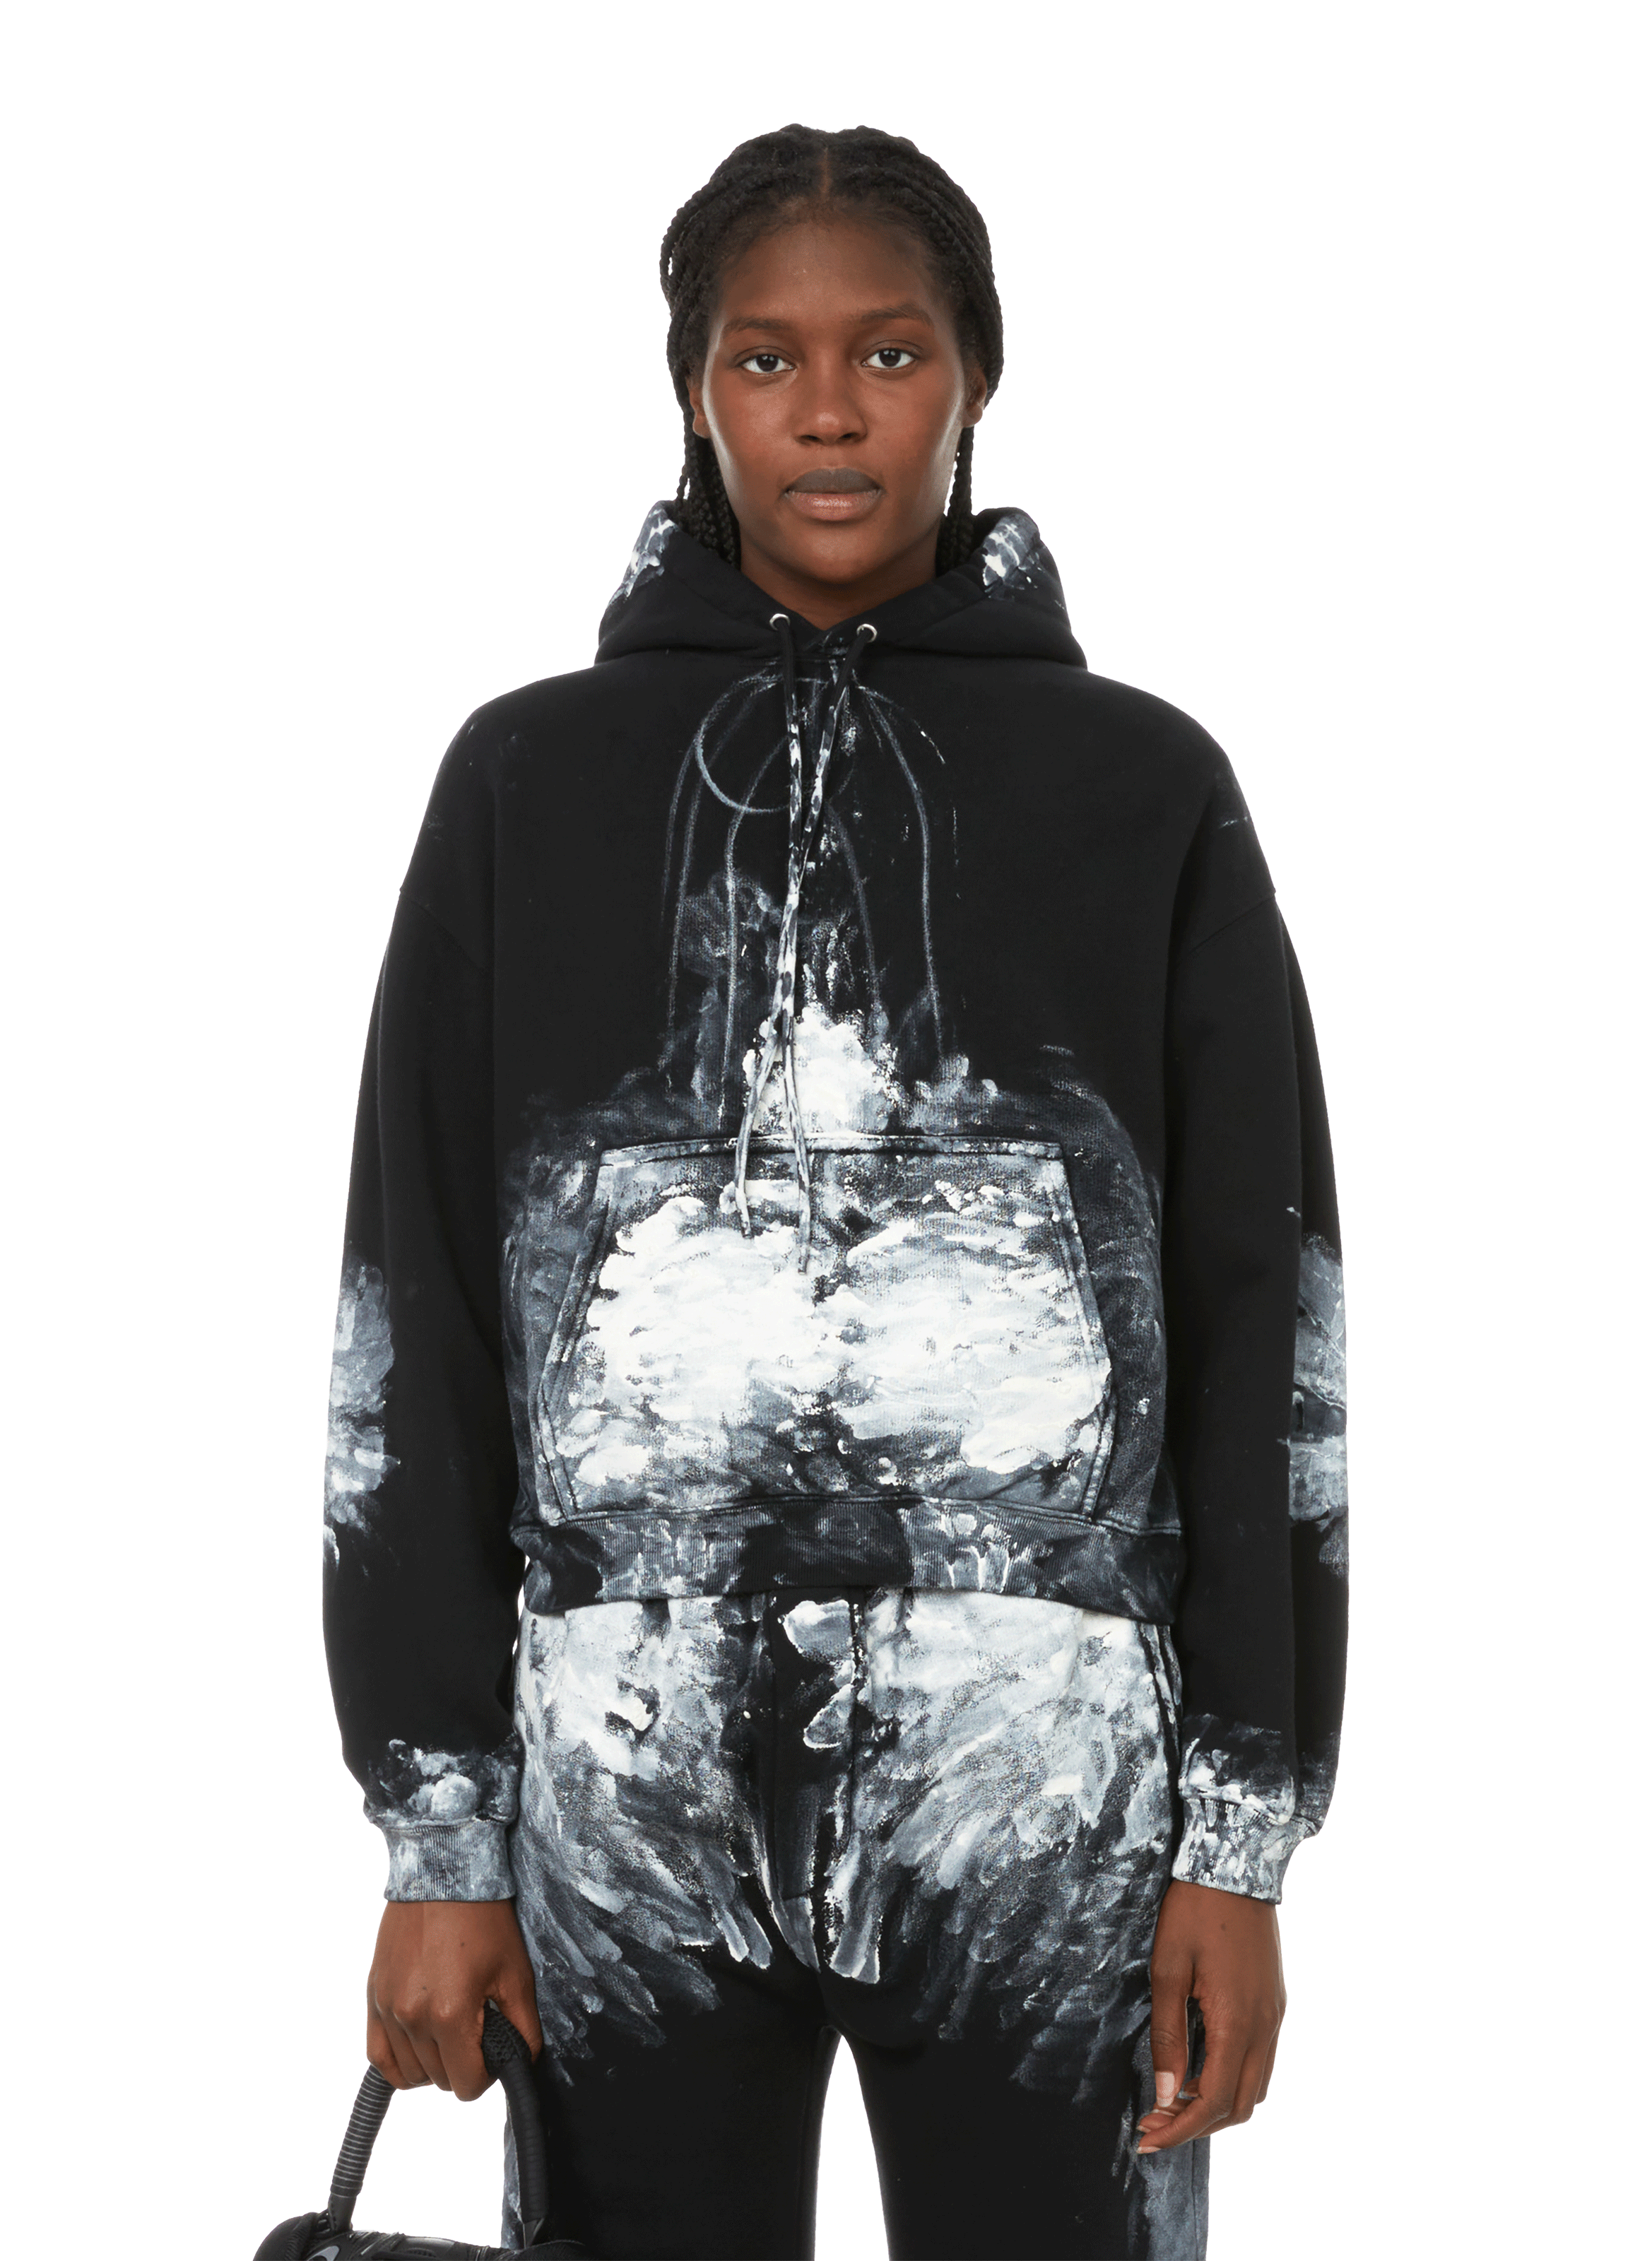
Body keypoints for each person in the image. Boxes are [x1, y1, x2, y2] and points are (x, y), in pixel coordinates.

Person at [321, 122, 1349, 2261]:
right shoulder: (524, 780)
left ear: (976, 377)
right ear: (695, 392)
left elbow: (1264, 1318)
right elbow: (417, 1313)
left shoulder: (1145, 786)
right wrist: (440, 1834)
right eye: (764, 358)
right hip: (624, 1764)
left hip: (1049, 1764)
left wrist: (1239, 1838)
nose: (827, 411)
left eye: (888, 353)